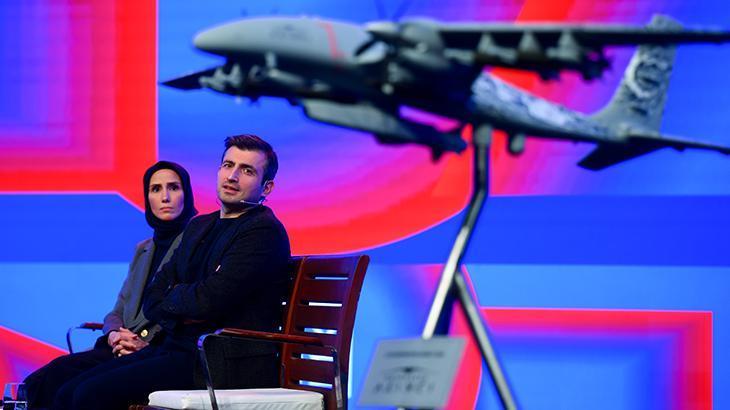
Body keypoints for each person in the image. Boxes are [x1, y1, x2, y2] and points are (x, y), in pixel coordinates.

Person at [51, 134, 291, 410]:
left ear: (266, 187)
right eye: (228, 165)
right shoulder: (200, 225)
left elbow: (210, 301)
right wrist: (184, 301)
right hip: (176, 349)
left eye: (247, 170)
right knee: (67, 390)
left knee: (88, 394)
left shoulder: (262, 231)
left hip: (218, 362)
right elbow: (154, 296)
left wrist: (176, 296)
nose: (232, 176)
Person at [24, 161, 198, 409]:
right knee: (45, 378)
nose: (165, 197)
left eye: (173, 187)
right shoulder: (143, 249)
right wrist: (115, 335)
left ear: (186, 194)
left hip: (157, 350)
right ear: (147, 197)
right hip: (120, 346)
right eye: (156, 189)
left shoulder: (195, 244)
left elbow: (185, 311)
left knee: (74, 391)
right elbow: (116, 311)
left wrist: (142, 342)